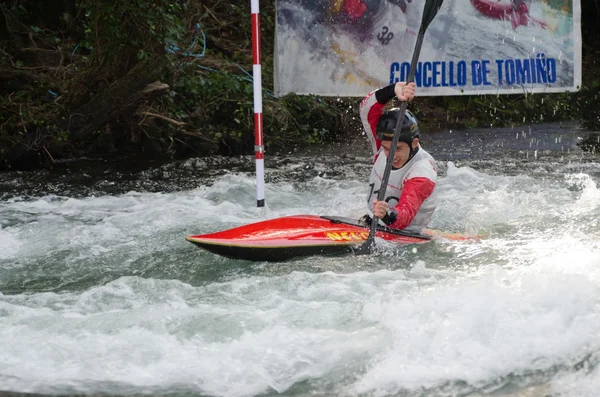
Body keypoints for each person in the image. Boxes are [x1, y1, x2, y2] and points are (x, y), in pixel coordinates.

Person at [358, 81, 438, 233]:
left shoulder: (423, 171)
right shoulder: (382, 147)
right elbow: (366, 110)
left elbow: (406, 214)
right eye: (388, 149)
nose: (391, 156)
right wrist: (393, 90)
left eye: (398, 149)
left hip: (406, 233)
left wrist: (387, 215)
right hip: (370, 222)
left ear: (414, 143)